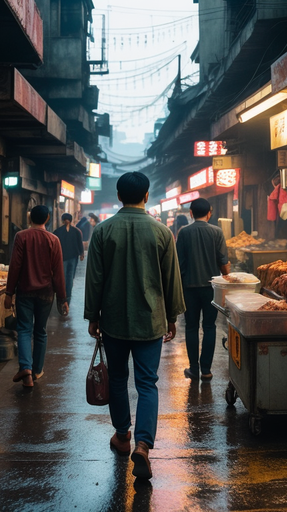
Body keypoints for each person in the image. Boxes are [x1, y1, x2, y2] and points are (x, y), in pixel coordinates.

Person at [84, 171, 185, 480]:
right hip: (151, 320)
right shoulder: (162, 232)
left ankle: (123, 435)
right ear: (146, 196)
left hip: (114, 321)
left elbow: (95, 279)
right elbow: (171, 279)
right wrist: (172, 316)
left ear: (118, 196)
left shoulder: (103, 231)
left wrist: (93, 316)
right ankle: (144, 443)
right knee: (147, 383)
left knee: (117, 379)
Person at [4, 205, 69, 388]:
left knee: (24, 330)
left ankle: (26, 369)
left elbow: (15, 266)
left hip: (25, 291)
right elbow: (58, 272)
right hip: (46, 294)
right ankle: (37, 369)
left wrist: (9, 292)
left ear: (30, 218)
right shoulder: (54, 239)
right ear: (47, 218)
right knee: (40, 331)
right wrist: (62, 298)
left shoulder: (21, 236)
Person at [176, 198, 230, 381]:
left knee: (191, 327)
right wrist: (228, 276)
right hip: (210, 288)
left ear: (190, 213)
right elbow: (224, 264)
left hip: (189, 288)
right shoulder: (217, 232)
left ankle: (193, 369)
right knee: (209, 327)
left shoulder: (183, 233)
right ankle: (206, 370)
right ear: (210, 212)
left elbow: (178, 263)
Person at [53, 213, 84, 305]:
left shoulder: (57, 231)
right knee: (70, 278)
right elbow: (80, 243)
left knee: (62, 278)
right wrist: (81, 254)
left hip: (62, 258)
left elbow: (54, 245)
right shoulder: (76, 231)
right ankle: (68, 297)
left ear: (62, 220)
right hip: (73, 258)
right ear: (71, 220)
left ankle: (62, 297)